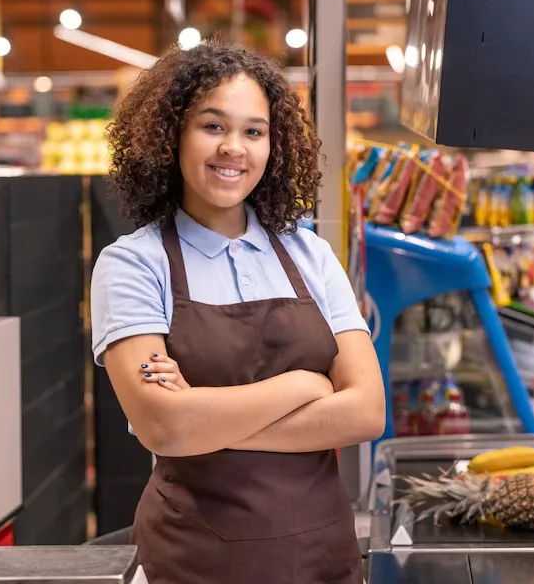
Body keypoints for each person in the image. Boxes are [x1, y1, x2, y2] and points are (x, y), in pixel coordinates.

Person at [90, 40, 386, 584]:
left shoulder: (309, 253)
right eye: (212, 126)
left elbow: (366, 412)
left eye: (253, 131)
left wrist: (202, 422)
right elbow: (163, 424)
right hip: (194, 562)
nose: (234, 148)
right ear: (171, 134)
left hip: (324, 557)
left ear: (274, 144)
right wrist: (304, 384)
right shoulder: (133, 264)